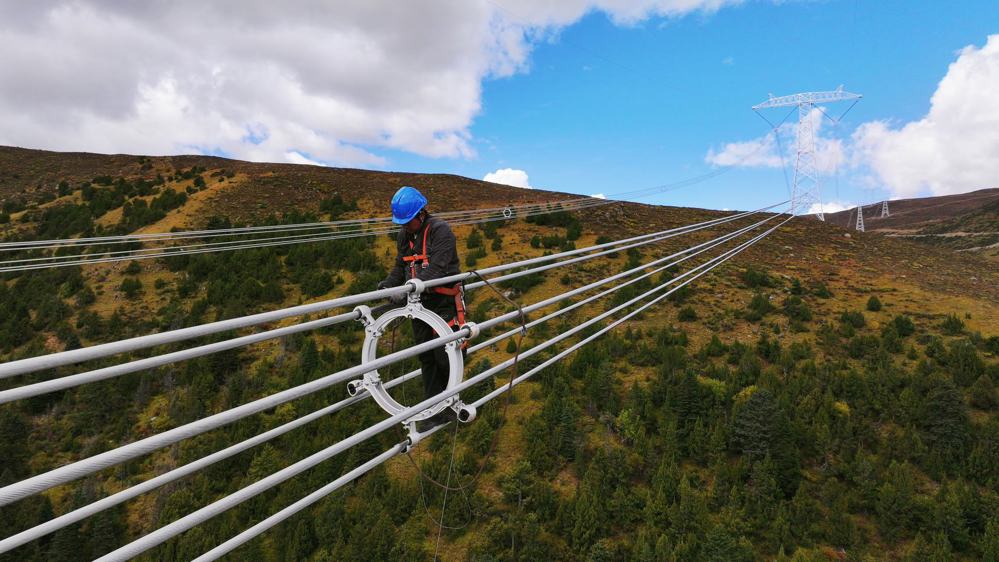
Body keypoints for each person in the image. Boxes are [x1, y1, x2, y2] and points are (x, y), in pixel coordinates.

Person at [377, 186, 466, 428]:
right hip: (418, 304)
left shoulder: (440, 231)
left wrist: (408, 288)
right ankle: (434, 411)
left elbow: (437, 268)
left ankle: (450, 404)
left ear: (421, 214)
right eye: (402, 223)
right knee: (426, 356)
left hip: (443, 301)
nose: (405, 227)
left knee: (445, 356)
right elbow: (400, 266)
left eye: (408, 222)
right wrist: (389, 285)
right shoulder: (405, 236)